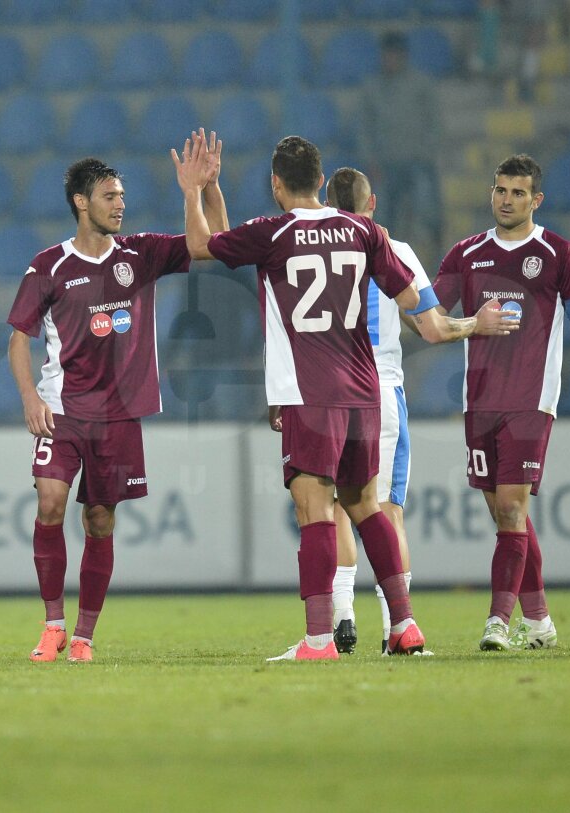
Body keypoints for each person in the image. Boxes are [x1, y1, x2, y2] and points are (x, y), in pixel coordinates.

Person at [174, 133, 431, 661]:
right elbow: (409, 301)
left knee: (315, 512)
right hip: (365, 391)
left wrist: (192, 191)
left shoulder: (273, 234)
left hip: (308, 393)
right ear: (321, 181)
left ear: (275, 184)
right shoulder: (363, 230)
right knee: (367, 507)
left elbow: (203, 245)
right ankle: (404, 625)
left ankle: (318, 640)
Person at [7, 140, 227, 664]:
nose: (120, 204)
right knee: (49, 503)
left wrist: (205, 187)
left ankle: (83, 637)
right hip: (62, 410)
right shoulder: (49, 266)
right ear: (82, 203)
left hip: (120, 417)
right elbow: (19, 337)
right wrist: (29, 397)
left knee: (100, 519)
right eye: (109, 196)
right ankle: (52, 625)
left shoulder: (140, 254)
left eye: (122, 195)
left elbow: (214, 242)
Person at [431, 154, 570, 651]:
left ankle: (497, 621)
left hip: (530, 401)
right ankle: (539, 623)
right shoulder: (466, 253)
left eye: (518, 193)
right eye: (500, 190)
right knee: (505, 515)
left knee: (513, 509)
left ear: (536, 200)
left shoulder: (560, 255)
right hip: (479, 403)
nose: (506, 200)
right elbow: (431, 321)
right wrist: (475, 323)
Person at [323, 167, 519, 654]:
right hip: (380, 389)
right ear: (372, 206)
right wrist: (477, 322)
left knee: (333, 508)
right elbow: (431, 327)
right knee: (387, 511)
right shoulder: (396, 251)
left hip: (322, 389)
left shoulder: (313, 249)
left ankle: (340, 617)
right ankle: (398, 627)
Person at [359, 31, 443, 259]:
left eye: (394, 55)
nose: (390, 60)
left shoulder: (421, 84)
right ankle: (388, 262)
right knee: (384, 215)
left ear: (403, 56)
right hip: (385, 164)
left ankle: (436, 259)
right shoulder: (372, 87)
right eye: (387, 55)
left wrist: (426, 154)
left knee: (428, 212)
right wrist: (371, 160)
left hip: (418, 162)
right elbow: (364, 128)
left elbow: (434, 122)